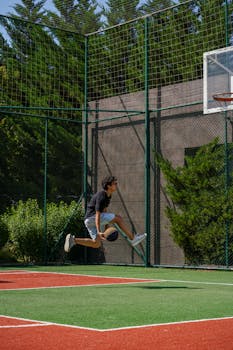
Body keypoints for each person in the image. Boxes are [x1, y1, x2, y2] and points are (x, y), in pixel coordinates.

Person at [64, 175, 147, 253]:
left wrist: (107, 227)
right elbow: (98, 214)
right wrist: (99, 231)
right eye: (115, 183)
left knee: (96, 243)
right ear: (109, 186)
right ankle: (133, 238)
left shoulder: (108, 196)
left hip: (88, 221)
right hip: (92, 218)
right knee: (118, 219)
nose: (116, 185)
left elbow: (104, 210)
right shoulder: (102, 196)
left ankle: (73, 240)